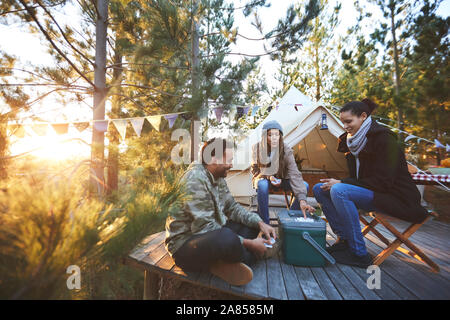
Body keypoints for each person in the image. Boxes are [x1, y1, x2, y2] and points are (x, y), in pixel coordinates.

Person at [313, 99, 428, 268]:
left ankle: (359, 253)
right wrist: (343, 183)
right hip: (373, 192)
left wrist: (342, 182)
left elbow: (383, 182)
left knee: (339, 190)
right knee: (319, 189)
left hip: (395, 197)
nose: (345, 126)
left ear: (363, 117)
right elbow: (359, 178)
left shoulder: (384, 139)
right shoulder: (352, 142)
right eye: (342, 122)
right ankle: (344, 240)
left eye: (348, 121)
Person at [165, 138, 277, 286]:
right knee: (228, 239)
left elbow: (232, 208)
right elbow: (204, 227)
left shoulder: (218, 177)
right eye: (229, 160)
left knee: (252, 225)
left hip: (208, 234)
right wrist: (250, 243)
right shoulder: (194, 179)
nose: (231, 165)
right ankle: (228, 261)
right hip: (185, 245)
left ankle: (224, 262)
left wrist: (260, 223)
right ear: (214, 159)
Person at [251, 120, 315, 223]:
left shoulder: (286, 149)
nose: (274, 138)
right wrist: (269, 177)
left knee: (304, 185)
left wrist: (302, 200)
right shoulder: (257, 148)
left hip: (283, 179)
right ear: (264, 136)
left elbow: (294, 172)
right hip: (264, 179)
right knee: (262, 185)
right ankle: (265, 224)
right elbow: (255, 170)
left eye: (277, 134)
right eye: (270, 135)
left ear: (280, 135)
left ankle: (289, 218)